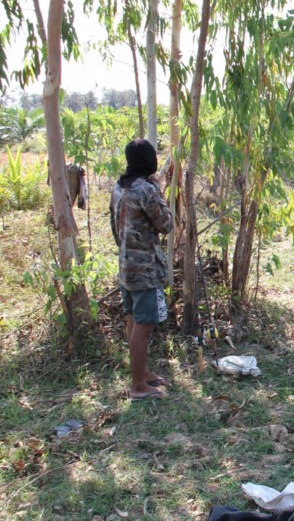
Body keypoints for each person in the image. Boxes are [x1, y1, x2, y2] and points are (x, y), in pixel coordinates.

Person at [110, 139, 174, 400]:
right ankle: (138, 386)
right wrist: (159, 192)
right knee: (144, 324)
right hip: (145, 267)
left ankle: (142, 373)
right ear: (150, 161)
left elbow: (115, 225)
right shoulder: (145, 189)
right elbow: (166, 224)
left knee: (133, 320)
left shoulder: (120, 186)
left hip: (126, 265)